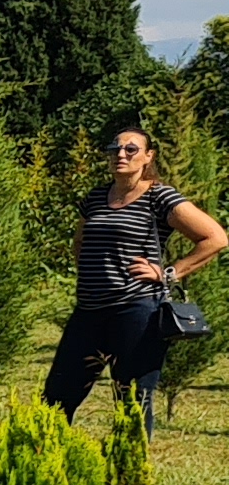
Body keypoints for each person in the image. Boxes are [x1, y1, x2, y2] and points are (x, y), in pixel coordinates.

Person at [43, 118, 224, 427]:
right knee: (56, 398)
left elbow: (215, 238)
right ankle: (46, 467)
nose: (121, 154)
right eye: (115, 148)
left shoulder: (159, 197)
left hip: (136, 311)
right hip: (88, 311)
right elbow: (80, 242)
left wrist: (168, 273)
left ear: (148, 156)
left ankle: (129, 471)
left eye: (130, 149)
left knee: (132, 401)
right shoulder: (96, 197)